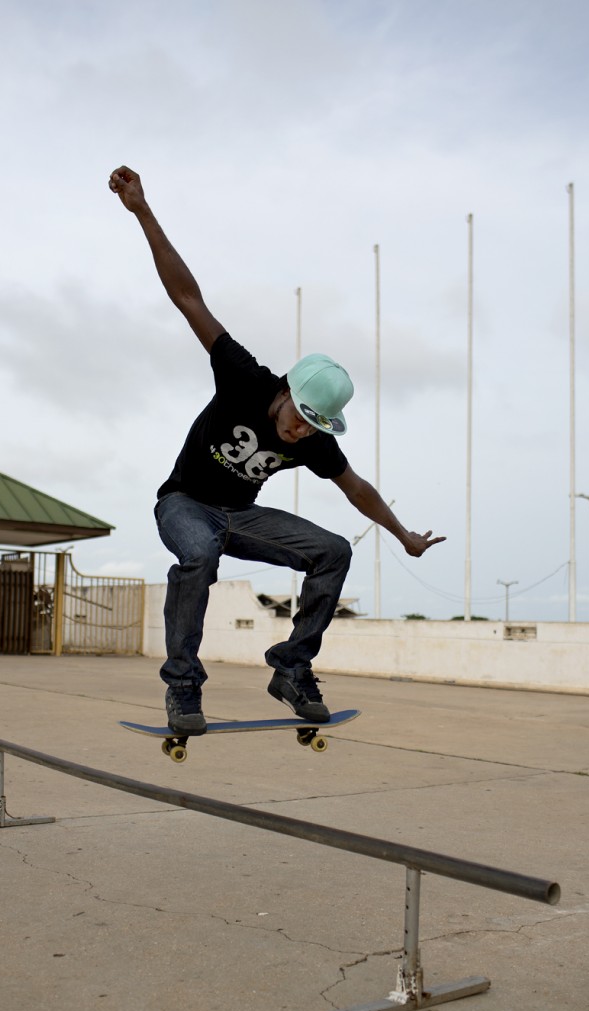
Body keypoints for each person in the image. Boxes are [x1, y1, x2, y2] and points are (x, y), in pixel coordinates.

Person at [109, 165, 446, 735]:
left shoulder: (315, 439)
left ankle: (292, 667)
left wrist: (403, 535)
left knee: (334, 550)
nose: (300, 434)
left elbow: (356, 488)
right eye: (297, 420)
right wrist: (142, 210)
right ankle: (184, 688)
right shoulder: (243, 377)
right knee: (198, 556)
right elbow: (188, 298)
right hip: (186, 505)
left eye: (314, 429)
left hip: (241, 518)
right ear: (286, 390)